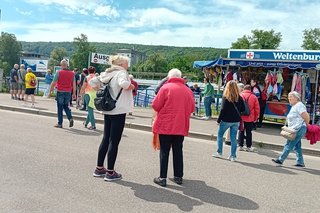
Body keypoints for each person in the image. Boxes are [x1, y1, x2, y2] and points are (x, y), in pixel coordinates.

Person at [89, 55, 134, 181]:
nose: (127, 65)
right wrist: (131, 86)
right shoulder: (122, 73)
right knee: (114, 141)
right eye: (126, 63)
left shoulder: (107, 72)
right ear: (121, 64)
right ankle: (110, 172)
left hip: (108, 109)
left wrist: (99, 90)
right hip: (119, 110)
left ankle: (99, 168)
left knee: (105, 138)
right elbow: (124, 84)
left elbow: (92, 82)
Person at [152, 68, 195, 187]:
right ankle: (178, 176)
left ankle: (162, 177)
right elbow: (192, 108)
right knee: (178, 151)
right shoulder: (187, 90)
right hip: (181, 125)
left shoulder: (165, 88)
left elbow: (155, 105)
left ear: (169, 77)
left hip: (166, 125)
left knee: (164, 151)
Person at [272, 91, 310, 167]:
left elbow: (306, 116)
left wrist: (307, 125)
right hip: (296, 128)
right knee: (297, 146)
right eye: (288, 97)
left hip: (298, 128)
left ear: (296, 98)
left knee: (289, 144)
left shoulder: (299, 105)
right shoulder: (295, 105)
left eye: (291, 97)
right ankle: (300, 162)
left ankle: (280, 160)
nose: (289, 98)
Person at [214, 80, 244, 162]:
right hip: (236, 120)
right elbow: (243, 109)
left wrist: (218, 120)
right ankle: (233, 156)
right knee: (233, 138)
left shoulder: (226, 97)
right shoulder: (240, 98)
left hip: (226, 120)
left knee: (220, 135)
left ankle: (219, 152)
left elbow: (223, 110)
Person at [48, 59, 76, 128]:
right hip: (68, 92)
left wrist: (50, 92)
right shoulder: (72, 73)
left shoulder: (59, 72)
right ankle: (70, 117)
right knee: (66, 106)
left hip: (60, 91)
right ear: (67, 65)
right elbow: (74, 84)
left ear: (61, 65)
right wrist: (74, 93)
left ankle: (60, 123)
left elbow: (53, 83)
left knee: (60, 108)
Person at [238, 85, 260, 152]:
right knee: (249, 132)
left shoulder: (240, 96)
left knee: (241, 131)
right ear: (250, 89)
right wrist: (256, 118)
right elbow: (257, 109)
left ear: (244, 89)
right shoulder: (254, 97)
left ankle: (240, 146)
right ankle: (248, 146)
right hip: (250, 117)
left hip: (241, 117)